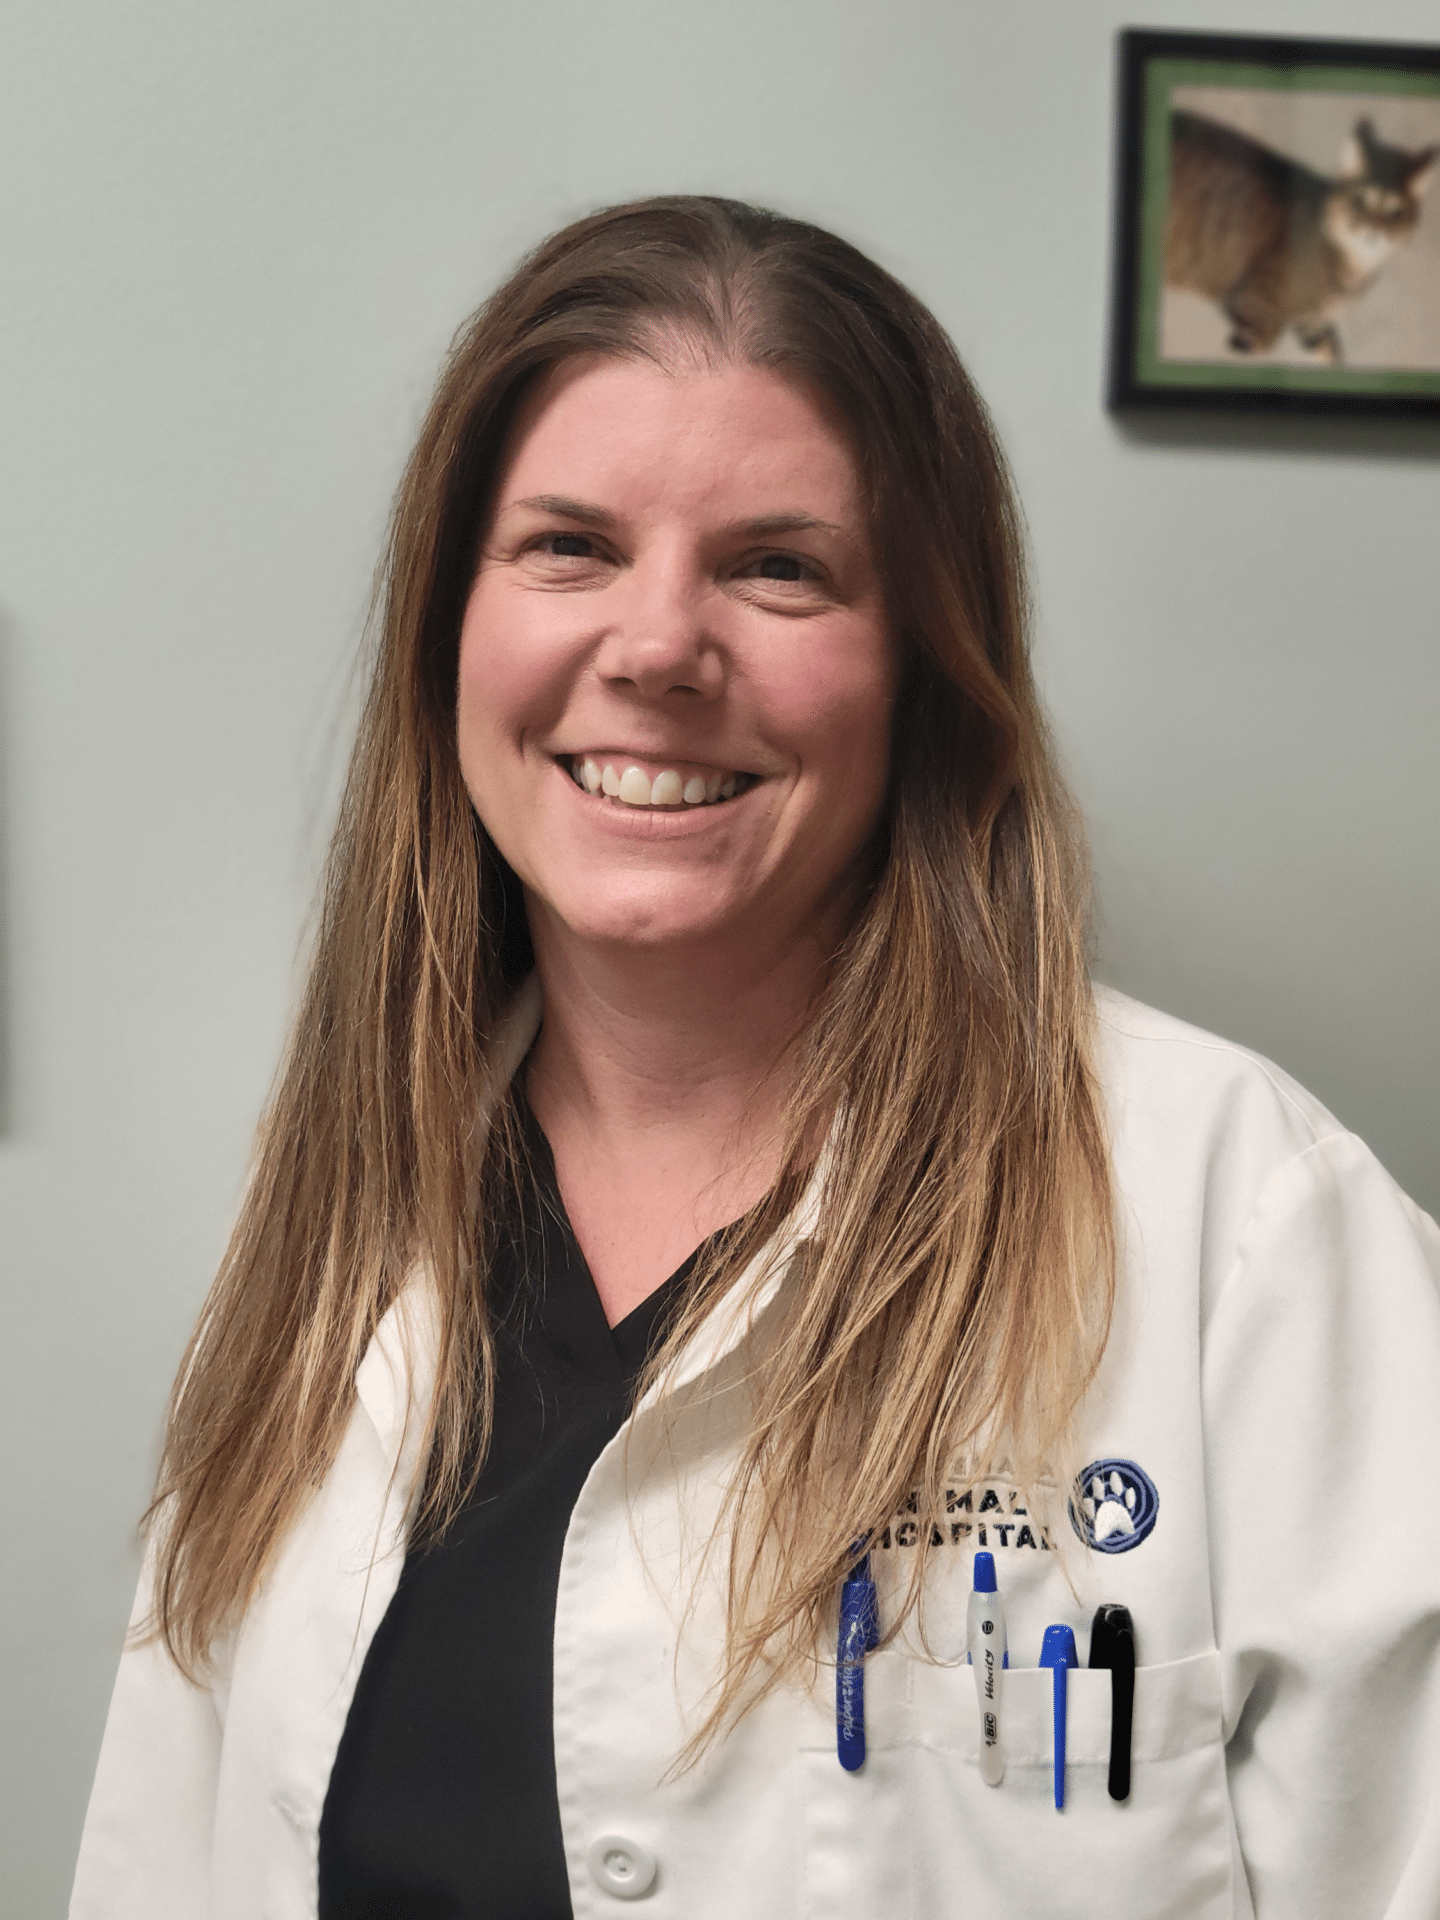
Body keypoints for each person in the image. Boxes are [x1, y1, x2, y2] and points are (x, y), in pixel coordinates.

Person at [71, 197, 1440, 1920]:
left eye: (778, 565)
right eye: (567, 545)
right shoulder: (332, 1218)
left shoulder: (1246, 1226)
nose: (656, 649)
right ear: (450, 638)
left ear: (923, 673)